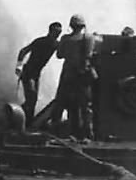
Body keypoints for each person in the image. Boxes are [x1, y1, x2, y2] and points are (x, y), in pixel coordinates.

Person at [56, 13, 98, 141]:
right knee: (85, 106)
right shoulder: (88, 38)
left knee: (71, 105)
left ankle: (73, 133)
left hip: (68, 74)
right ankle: (87, 134)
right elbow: (89, 55)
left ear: (71, 26)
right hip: (82, 74)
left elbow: (59, 55)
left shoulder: (65, 39)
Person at [15, 21, 62, 127]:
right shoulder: (40, 41)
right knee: (31, 98)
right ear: (50, 31)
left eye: (59, 33)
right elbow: (23, 51)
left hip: (36, 74)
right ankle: (17, 117)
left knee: (33, 100)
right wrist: (19, 66)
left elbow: (62, 53)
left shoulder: (56, 44)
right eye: (56, 32)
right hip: (28, 72)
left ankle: (26, 122)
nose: (57, 34)